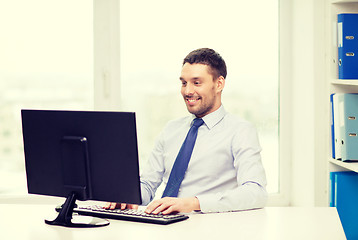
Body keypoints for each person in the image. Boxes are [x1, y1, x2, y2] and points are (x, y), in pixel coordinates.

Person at [105, 48, 267, 214]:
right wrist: (128, 197)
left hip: (209, 229)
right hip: (163, 225)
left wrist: (194, 203)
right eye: (184, 83)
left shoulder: (240, 131)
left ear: (219, 84)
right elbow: (148, 184)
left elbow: (255, 192)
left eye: (197, 83)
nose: (187, 91)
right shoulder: (171, 129)